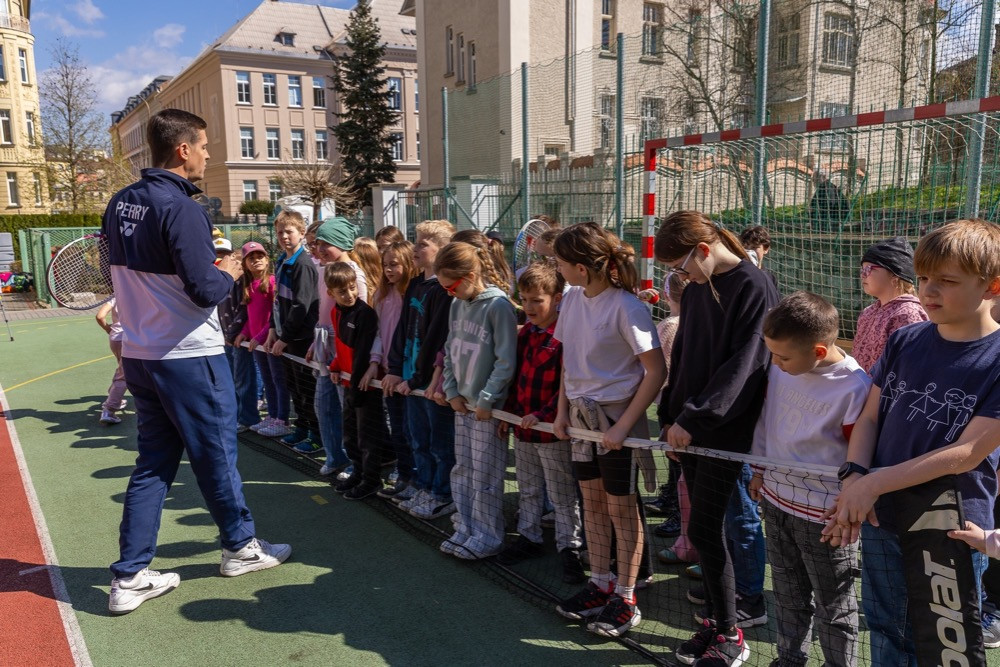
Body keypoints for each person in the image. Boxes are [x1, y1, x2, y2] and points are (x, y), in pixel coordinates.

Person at [103, 109, 289, 615]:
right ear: (183, 150)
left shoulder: (121, 202)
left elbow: (112, 268)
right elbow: (206, 289)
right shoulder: (182, 207)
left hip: (140, 354)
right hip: (188, 354)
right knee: (216, 456)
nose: (208, 154)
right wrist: (228, 269)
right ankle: (240, 547)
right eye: (204, 145)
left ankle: (129, 575)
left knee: (153, 464)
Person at [821, 219, 1000, 666]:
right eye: (922, 278)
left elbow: (967, 454)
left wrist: (871, 484)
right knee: (886, 627)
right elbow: (869, 417)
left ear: (992, 285)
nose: (928, 291)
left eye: (947, 281)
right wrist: (855, 477)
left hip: (949, 525)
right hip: (882, 514)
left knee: (943, 643)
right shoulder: (905, 339)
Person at [655, 210, 777, 666]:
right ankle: (717, 622)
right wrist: (670, 414)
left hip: (724, 433)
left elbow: (747, 365)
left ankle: (730, 633)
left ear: (703, 250)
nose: (680, 277)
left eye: (681, 267)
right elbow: (685, 355)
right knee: (703, 531)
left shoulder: (754, 286)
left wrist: (695, 418)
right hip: (690, 430)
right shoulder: (697, 289)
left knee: (708, 527)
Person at [552, 222, 665, 638]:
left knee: (621, 509)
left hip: (617, 422)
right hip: (581, 422)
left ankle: (626, 596)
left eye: (561, 262)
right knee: (593, 504)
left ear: (581, 268)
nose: (557, 268)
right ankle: (599, 583)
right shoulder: (571, 299)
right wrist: (561, 413)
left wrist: (623, 426)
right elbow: (569, 362)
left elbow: (656, 372)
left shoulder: (627, 307)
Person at [749, 291, 871, 667]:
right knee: (787, 595)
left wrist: (847, 508)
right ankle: (788, 659)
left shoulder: (854, 386)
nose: (775, 362)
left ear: (818, 351)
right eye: (772, 353)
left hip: (825, 518)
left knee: (834, 606)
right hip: (776, 500)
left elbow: (861, 455)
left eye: (783, 356)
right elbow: (767, 419)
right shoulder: (780, 369)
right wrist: (759, 470)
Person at [498, 262, 585, 582]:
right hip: (523, 429)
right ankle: (529, 536)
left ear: (557, 298)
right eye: (524, 300)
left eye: (537, 300)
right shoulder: (526, 334)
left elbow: (566, 386)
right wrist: (508, 413)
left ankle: (569, 547)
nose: (529, 307)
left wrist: (544, 415)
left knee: (562, 493)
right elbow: (515, 377)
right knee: (529, 487)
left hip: (551, 432)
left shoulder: (565, 337)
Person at [435, 241, 517, 559]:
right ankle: (465, 527)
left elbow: (505, 361)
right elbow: (450, 350)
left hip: (486, 411)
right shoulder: (457, 304)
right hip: (463, 406)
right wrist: (451, 390)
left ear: (470, 276)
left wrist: (487, 399)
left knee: (486, 475)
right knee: (464, 469)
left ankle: (488, 536)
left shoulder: (498, 306)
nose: (449, 293)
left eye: (451, 286)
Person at [383, 220, 456, 520]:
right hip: (411, 381)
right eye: (416, 241)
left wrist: (418, 378)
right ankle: (424, 486)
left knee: (440, 445)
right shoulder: (414, 283)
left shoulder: (444, 290)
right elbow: (403, 329)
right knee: (418, 440)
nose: (415, 248)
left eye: (423, 243)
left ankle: (442, 493)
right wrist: (396, 368)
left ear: (442, 250)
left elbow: (436, 340)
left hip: (429, 385)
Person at [325, 262, 389, 500]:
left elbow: (362, 353)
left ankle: (371, 480)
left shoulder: (366, 314)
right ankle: (358, 472)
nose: (350, 294)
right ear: (331, 293)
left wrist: (356, 387)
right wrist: (335, 366)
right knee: (350, 435)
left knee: (367, 437)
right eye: (342, 291)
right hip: (348, 384)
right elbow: (341, 346)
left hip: (365, 387)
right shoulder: (335, 312)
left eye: (352, 288)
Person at [363, 239, 419, 500]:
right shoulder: (381, 296)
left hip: (410, 375)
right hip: (389, 374)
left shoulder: (414, 297)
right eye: (385, 264)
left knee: (412, 431)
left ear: (408, 263)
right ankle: (405, 474)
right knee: (398, 429)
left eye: (394, 264)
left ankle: (417, 479)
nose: (388, 270)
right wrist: (375, 362)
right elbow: (378, 334)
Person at [265, 210, 320, 452]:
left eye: (289, 232)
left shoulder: (303, 264)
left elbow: (301, 305)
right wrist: (272, 329)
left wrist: (285, 337)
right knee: (295, 388)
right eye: (280, 232)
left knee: (307, 390)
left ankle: (316, 435)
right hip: (286, 337)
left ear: (302, 233)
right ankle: (302, 428)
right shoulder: (282, 261)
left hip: (301, 338)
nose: (284, 237)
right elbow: (278, 300)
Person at [237, 242, 291, 438]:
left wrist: (260, 337)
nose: (256, 260)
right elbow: (250, 316)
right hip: (259, 345)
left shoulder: (272, 282)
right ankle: (272, 415)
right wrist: (244, 333)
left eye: (260, 256)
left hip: (270, 342)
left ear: (267, 260)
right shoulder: (248, 286)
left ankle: (282, 420)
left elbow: (274, 317)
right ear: (245, 263)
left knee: (279, 380)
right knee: (268, 380)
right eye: (251, 258)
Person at [852, 237, 927, 373]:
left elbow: (909, 367)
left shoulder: (907, 314)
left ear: (895, 276)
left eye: (868, 269)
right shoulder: (868, 312)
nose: (863, 275)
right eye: (862, 270)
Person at [96, 298, 127, 425]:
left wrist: (109, 329)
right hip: (129, 338)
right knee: (124, 374)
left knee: (123, 370)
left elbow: (100, 316)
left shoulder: (116, 296)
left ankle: (114, 397)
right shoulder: (141, 292)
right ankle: (109, 409)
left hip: (115, 339)